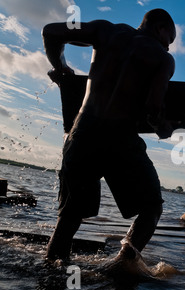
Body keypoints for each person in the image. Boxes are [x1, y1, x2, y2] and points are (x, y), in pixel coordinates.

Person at [42, 9, 176, 261]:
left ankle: (50, 278)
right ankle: (122, 266)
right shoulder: (162, 58)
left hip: (83, 132)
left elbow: (50, 31)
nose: (169, 47)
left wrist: (61, 68)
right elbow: (152, 108)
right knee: (152, 207)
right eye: (171, 39)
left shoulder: (105, 30)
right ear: (161, 29)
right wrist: (164, 129)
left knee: (70, 216)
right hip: (120, 138)